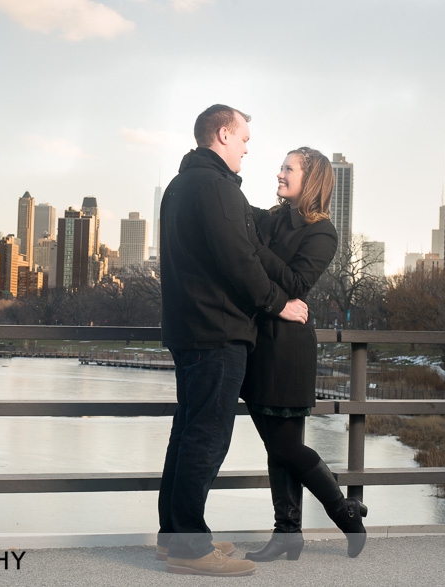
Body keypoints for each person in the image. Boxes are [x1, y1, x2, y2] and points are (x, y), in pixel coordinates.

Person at [156, 105, 309, 577]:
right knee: (207, 436)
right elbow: (238, 259)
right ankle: (188, 548)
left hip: (189, 329)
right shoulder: (216, 186)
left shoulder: (181, 186)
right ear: (223, 134)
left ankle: (176, 536)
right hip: (217, 331)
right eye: (243, 139)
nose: (247, 148)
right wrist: (277, 302)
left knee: (187, 433)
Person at [240, 147, 368, 562]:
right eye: (280, 167)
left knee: (287, 447)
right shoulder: (272, 217)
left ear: (310, 179)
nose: (279, 174)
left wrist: (257, 252)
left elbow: (296, 282)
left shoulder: (322, 232)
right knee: (278, 446)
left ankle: (345, 514)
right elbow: (238, 213)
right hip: (259, 344)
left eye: (287, 168)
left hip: (288, 349)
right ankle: (288, 532)